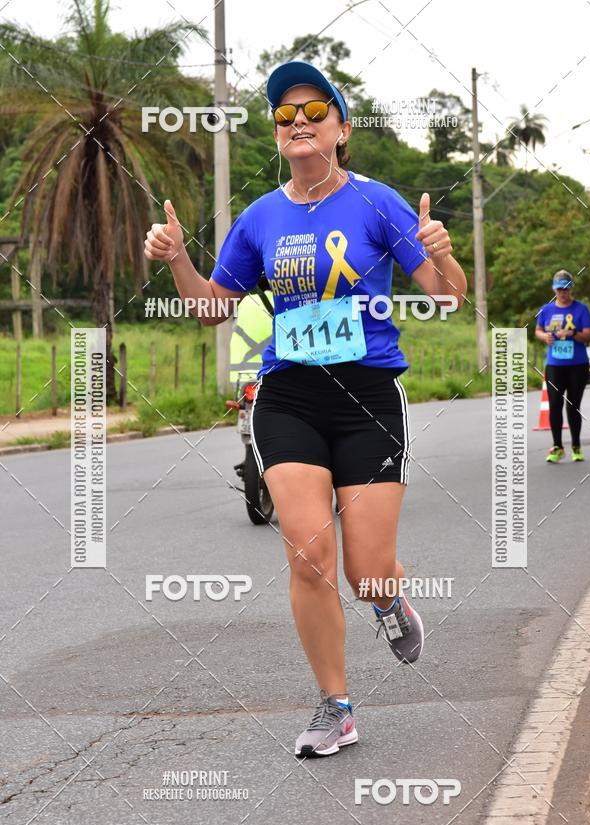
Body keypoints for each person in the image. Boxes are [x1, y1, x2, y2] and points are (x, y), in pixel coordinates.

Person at [144, 60, 467, 757]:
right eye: (284, 116)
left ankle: (387, 602)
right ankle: (335, 705)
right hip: (288, 396)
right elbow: (209, 309)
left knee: (366, 569)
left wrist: (445, 253)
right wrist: (175, 259)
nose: (297, 124)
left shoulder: (378, 202)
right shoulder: (260, 217)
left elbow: (448, 297)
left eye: (313, 112)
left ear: (341, 129)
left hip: (368, 397)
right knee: (311, 554)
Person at [535, 270, 590, 462]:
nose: (563, 293)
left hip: (577, 364)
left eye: (566, 289)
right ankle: (557, 447)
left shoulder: (581, 309)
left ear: (571, 289)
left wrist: (572, 333)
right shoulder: (546, 310)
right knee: (554, 405)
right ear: (554, 289)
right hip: (555, 365)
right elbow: (538, 330)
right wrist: (546, 336)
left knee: (573, 406)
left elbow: (588, 335)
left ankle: (576, 446)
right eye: (559, 289)